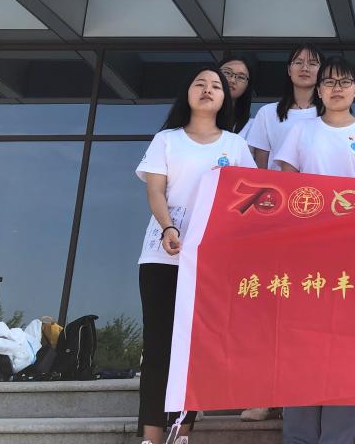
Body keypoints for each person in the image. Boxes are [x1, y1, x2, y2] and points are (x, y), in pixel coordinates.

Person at [135, 65, 257, 444]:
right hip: (163, 255)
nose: (207, 89)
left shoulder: (235, 146)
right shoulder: (167, 140)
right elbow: (155, 191)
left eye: (216, 86)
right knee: (159, 347)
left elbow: (251, 198)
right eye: (199, 84)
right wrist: (169, 228)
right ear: (187, 93)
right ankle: (151, 435)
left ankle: (182, 430)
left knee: (196, 347)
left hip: (211, 262)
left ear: (224, 98)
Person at [275, 56, 355, 444]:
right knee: (302, 342)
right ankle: (298, 436)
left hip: (354, 254)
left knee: (347, 346)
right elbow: (288, 186)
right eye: (329, 82)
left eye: (344, 82)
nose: (336, 88)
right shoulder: (301, 131)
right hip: (307, 252)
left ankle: (337, 437)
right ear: (319, 90)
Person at [240, 44, 324, 423]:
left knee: (313, 309)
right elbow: (258, 168)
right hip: (279, 221)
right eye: (298, 62)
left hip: (323, 225)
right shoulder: (268, 114)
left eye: (313, 62)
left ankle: (312, 392)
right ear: (288, 70)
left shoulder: (331, 114)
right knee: (274, 308)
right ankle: (267, 394)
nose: (305, 68)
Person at [220, 54, 256, 140]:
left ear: (247, 86)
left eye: (241, 77)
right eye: (227, 73)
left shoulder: (252, 127)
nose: (232, 80)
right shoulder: (194, 120)